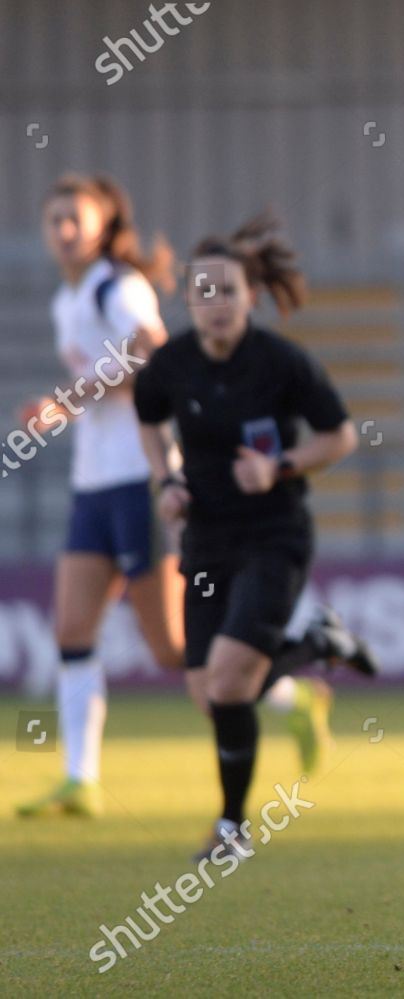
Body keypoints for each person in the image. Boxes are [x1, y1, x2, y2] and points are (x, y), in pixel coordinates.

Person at [133, 212, 375, 859]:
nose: (215, 303)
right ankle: (317, 642)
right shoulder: (171, 365)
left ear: (251, 296)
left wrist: (282, 465)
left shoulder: (282, 363)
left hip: (275, 534)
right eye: (202, 291)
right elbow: (149, 419)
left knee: (232, 681)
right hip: (207, 542)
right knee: (211, 694)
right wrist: (167, 481)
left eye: (228, 290)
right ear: (186, 299)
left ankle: (230, 828)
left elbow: (341, 435)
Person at [14, 174, 183, 819]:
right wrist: (63, 406)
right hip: (93, 483)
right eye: (53, 219)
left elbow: (152, 355)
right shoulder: (70, 300)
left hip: (140, 476)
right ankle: (80, 779)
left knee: (169, 648)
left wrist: (66, 402)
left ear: (103, 226)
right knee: (71, 629)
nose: (62, 231)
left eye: (73, 219)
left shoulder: (120, 285)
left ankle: (287, 690)